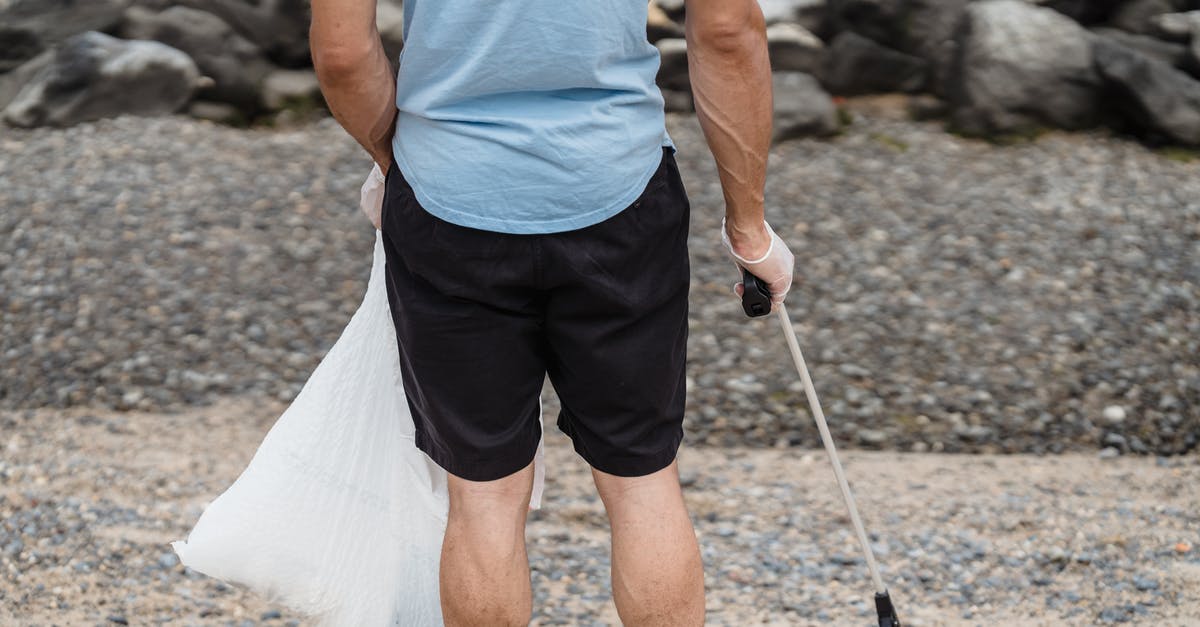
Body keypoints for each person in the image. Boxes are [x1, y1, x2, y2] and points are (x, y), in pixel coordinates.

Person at [310, 0, 795, 624]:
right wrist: (748, 227)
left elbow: (343, 54)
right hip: (619, 191)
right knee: (641, 479)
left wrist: (393, 163)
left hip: (449, 199)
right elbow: (727, 30)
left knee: (483, 496)